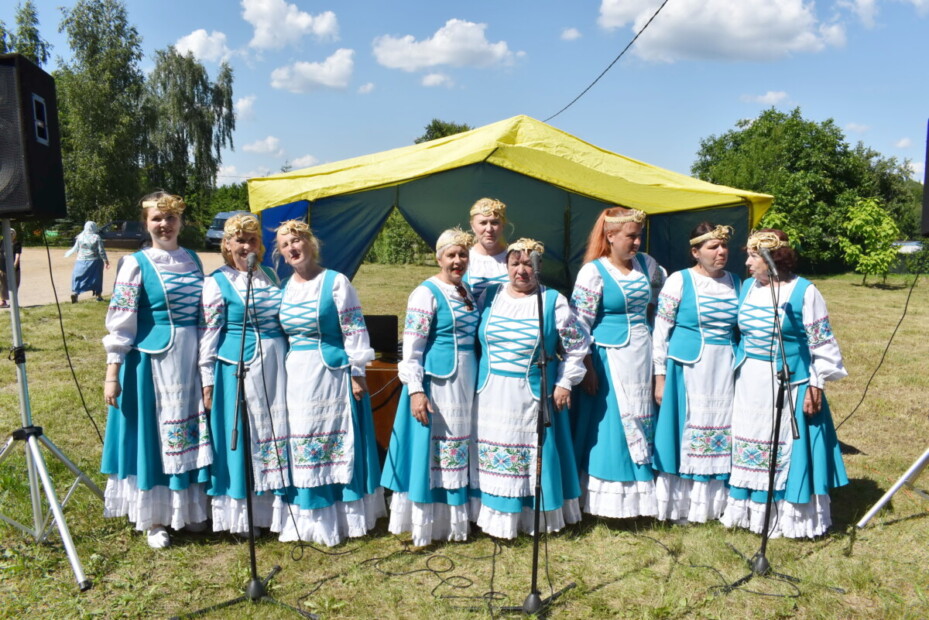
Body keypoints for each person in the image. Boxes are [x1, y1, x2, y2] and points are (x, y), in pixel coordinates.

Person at [720, 229, 848, 538]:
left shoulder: (804, 292)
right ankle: (749, 510)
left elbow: (822, 344)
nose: (747, 263)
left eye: (753, 256)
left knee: (782, 443)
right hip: (750, 379)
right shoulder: (748, 288)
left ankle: (785, 514)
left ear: (772, 258)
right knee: (751, 439)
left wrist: (816, 385)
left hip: (789, 381)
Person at [101, 191, 212, 549]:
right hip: (152, 362)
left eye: (170, 218)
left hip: (190, 358)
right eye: (156, 219)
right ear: (146, 223)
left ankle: (188, 509)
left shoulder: (193, 259)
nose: (164, 224)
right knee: (154, 435)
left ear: (181, 221)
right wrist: (112, 372)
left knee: (188, 431)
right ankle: (155, 518)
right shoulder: (135, 264)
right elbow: (121, 322)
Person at [273, 219, 385, 545]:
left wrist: (357, 373)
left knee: (332, 438)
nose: (293, 248)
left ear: (310, 243)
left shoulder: (335, 282)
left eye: (297, 240)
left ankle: (339, 515)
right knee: (301, 438)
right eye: (285, 245)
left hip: (331, 373)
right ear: (281, 254)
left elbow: (354, 328)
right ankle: (307, 514)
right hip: (295, 374)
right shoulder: (284, 288)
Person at [470, 239, 588, 538]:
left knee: (530, 453)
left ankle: (528, 518)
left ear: (538, 267)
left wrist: (564, 383)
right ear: (506, 266)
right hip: (491, 391)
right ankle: (493, 516)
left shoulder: (552, 301)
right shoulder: (489, 295)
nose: (521, 270)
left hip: (531, 392)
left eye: (527, 264)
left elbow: (577, 346)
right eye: (515, 264)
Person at [381, 227, 480, 546]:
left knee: (458, 445)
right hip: (437, 382)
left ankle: (455, 520)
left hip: (466, 378)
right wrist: (416, 390)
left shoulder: (466, 290)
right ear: (439, 258)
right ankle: (430, 523)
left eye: (462, 255)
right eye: (451, 255)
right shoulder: (426, 292)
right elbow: (412, 347)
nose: (458, 260)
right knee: (435, 448)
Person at [570, 206, 666, 519]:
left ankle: (641, 496)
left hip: (642, 351)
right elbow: (579, 324)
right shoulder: (593, 272)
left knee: (642, 415)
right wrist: (587, 366)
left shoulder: (648, 265)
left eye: (639, 236)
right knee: (613, 422)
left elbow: (659, 304)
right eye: (631, 236)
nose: (637, 242)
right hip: (608, 356)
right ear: (610, 236)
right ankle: (607, 500)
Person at [199, 214, 290, 534]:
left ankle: (275, 509)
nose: (246, 246)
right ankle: (243, 514)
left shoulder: (270, 275)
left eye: (252, 240)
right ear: (227, 245)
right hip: (237, 366)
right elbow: (209, 334)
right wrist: (207, 381)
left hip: (276, 364)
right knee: (242, 434)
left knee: (275, 430)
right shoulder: (217, 281)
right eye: (239, 240)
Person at [651, 223, 741, 523]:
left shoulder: (736, 282)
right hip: (688, 367)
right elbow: (661, 331)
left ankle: (715, 503)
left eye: (724, 246)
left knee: (721, 426)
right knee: (687, 428)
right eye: (713, 247)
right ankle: (682, 505)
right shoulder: (680, 280)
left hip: (724, 366)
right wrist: (660, 377)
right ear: (695, 252)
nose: (721, 252)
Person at [463, 197, 509, 300]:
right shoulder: (463, 258)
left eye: (494, 223)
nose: (489, 229)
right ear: (472, 226)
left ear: (503, 225)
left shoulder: (514, 259)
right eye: (483, 223)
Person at [65, 221, 110, 303]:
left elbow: (77, 249)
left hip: (80, 261)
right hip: (95, 261)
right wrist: (106, 261)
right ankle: (98, 296)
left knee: (79, 276)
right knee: (96, 277)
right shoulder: (96, 237)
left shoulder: (80, 236)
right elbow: (101, 251)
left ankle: (75, 293)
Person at [0, 228, 22, 309]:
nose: (10, 235)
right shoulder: (1, 242)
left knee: (15, 284)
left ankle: (14, 302)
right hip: (2, 267)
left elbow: (17, 255)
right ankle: (2, 301)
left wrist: (15, 265)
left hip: (14, 268)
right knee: (3, 284)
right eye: (9, 234)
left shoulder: (17, 244)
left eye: (12, 234)